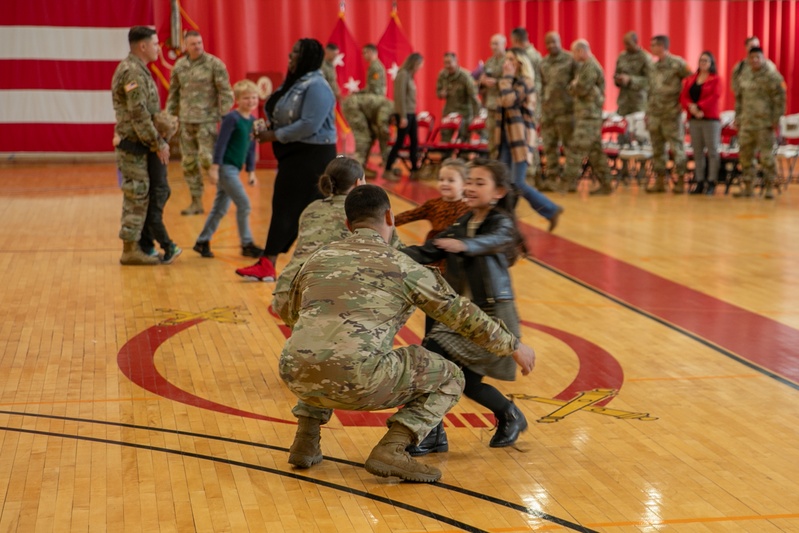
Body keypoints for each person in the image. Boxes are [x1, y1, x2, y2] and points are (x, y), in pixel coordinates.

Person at [280, 184, 536, 483]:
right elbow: (461, 315)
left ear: (348, 224)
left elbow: (290, 313)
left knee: (322, 345)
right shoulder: (402, 266)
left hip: (293, 371)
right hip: (360, 379)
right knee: (451, 376)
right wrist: (512, 345)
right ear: (390, 217)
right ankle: (393, 448)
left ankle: (305, 441)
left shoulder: (318, 257)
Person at [402, 159, 530, 454]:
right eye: (469, 181)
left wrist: (466, 246)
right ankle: (505, 416)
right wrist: (388, 254)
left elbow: (494, 240)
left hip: (494, 313)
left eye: (478, 183)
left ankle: (503, 417)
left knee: (445, 369)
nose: (470, 187)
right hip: (465, 313)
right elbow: (429, 249)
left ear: (498, 192)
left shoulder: (501, 222)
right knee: (453, 375)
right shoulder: (463, 222)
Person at [236, 38, 337, 282]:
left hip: (312, 156)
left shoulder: (317, 85)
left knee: (298, 210)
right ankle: (269, 263)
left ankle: (272, 263)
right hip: (295, 153)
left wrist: (274, 135)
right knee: (286, 208)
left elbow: (309, 125)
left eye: (295, 54)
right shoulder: (297, 82)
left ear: (308, 58)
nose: (289, 57)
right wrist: (268, 127)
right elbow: (285, 113)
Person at [272, 156, 366, 323]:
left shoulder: (312, 208)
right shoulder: (361, 212)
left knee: (309, 342)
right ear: (359, 183)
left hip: (286, 292)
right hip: (323, 295)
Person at [112, 26, 175, 266]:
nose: (159, 48)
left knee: (143, 194)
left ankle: (139, 245)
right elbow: (139, 115)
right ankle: (130, 249)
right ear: (143, 46)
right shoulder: (132, 73)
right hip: (134, 146)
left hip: (140, 145)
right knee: (136, 195)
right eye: (156, 44)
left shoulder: (140, 70)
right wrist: (158, 143)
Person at [395, 158, 471, 334]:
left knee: (454, 309)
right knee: (433, 308)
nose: (444, 183)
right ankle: (431, 340)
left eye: (451, 180)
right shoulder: (433, 205)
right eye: (441, 179)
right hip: (433, 264)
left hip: (457, 268)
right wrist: (382, 223)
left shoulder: (468, 209)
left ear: (464, 184)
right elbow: (407, 216)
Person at [495, 47, 564, 232]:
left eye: (510, 59)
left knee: (517, 182)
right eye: (506, 59)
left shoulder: (525, 82)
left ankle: (551, 209)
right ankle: (503, 221)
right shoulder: (510, 81)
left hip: (521, 139)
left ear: (519, 63)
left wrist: (506, 78)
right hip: (505, 137)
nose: (506, 63)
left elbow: (508, 101)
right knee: (502, 181)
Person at [192, 79, 263, 259]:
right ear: (238, 99)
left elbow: (251, 148)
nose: (251, 101)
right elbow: (221, 144)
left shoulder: (253, 121)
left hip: (235, 169)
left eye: (254, 97)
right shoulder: (232, 118)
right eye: (246, 98)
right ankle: (246, 244)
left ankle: (202, 241)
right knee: (244, 205)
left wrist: (251, 171)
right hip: (225, 168)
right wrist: (215, 168)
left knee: (220, 209)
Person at [166, 30, 234, 216]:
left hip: (207, 121)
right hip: (186, 121)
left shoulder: (214, 64)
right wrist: (169, 118)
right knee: (188, 163)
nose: (198, 46)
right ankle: (196, 202)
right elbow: (173, 95)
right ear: (186, 46)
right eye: (193, 44)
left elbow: (226, 92)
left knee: (208, 160)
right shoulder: (179, 66)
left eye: (199, 42)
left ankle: (224, 196)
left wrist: (226, 116)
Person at [733, 47, 786, 199]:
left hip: (765, 124)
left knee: (766, 157)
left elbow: (780, 99)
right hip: (747, 123)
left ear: (763, 58)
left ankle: (769, 187)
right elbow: (739, 98)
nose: (755, 60)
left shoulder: (772, 76)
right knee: (745, 156)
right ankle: (748, 187)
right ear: (748, 59)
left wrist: (776, 120)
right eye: (752, 57)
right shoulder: (745, 74)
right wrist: (738, 117)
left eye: (757, 57)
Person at [565, 39, 612, 195]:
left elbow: (581, 88)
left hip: (589, 116)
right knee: (595, 151)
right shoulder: (585, 66)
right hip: (586, 115)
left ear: (580, 51)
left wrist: (572, 86)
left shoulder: (590, 67)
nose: (573, 56)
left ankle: (569, 182)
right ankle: (606, 184)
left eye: (574, 52)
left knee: (576, 147)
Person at [646, 35, 692, 193]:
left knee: (677, 148)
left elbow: (692, 81)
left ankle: (680, 181)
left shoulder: (677, 63)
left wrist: (683, 102)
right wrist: (648, 112)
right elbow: (650, 91)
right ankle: (660, 181)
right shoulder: (653, 66)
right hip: (654, 114)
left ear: (662, 46)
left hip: (671, 114)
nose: (652, 48)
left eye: (654, 45)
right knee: (657, 149)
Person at [138, 112, 182, 263]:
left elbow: (137, 148)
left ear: (161, 133)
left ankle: (169, 246)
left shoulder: (156, 147)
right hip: (158, 188)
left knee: (154, 219)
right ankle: (147, 247)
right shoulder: (159, 144)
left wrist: (120, 142)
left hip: (159, 190)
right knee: (148, 218)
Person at [680, 51, 723, 194]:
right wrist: (691, 107)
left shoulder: (715, 79)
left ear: (711, 63)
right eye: (701, 60)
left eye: (706, 60)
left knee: (712, 152)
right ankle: (699, 181)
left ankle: (711, 181)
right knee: (697, 152)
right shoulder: (691, 79)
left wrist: (699, 107)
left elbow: (714, 97)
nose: (703, 63)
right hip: (694, 119)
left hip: (709, 119)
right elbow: (684, 96)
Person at [539, 32, 577, 191]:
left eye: (554, 42)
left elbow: (578, 83)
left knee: (569, 146)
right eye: (548, 43)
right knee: (549, 146)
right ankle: (552, 177)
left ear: (560, 41)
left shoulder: (570, 60)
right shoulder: (543, 63)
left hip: (566, 112)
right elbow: (541, 85)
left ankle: (571, 180)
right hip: (548, 112)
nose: (551, 46)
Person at [510, 27, 546, 189]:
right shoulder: (535, 54)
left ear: (516, 40)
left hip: (528, 102)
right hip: (530, 101)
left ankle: (530, 175)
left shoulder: (527, 56)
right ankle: (530, 175)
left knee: (527, 138)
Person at [613, 31, 652, 181]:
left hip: (639, 103)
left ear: (636, 42)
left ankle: (642, 169)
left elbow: (650, 81)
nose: (626, 46)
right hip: (624, 102)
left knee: (640, 136)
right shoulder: (622, 56)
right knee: (623, 136)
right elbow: (615, 75)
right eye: (625, 44)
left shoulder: (645, 58)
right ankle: (623, 169)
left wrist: (631, 80)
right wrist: (618, 79)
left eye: (629, 43)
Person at [384, 52, 424, 181]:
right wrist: (402, 116)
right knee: (399, 142)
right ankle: (388, 169)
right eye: (420, 64)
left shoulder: (410, 76)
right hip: (404, 113)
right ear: (415, 63)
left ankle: (415, 170)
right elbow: (399, 97)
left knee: (414, 142)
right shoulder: (403, 75)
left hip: (411, 113)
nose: (420, 67)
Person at [341, 92, 394, 177]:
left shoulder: (391, 108)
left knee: (371, 136)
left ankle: (362, 167)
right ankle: (358, 171)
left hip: (359, 108)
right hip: (353, 106)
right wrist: (387, 162)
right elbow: (382, 127)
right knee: (363, 138)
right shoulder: (390, 108)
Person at [435, 52, 481, 142]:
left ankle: (464, 156)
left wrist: (476, 116)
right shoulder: (442, 75)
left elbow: (474, 98)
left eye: (449, 62)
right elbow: (438, 92)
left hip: (464, 113)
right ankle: (446, 156)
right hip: (449, 112)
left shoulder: (465, 76)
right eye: (445, 63)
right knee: (445, 140)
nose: (447, 65)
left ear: (456, 61)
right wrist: (441, 93)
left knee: (464, 143)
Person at [479, 34, 508, 157]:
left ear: (504, 44)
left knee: (504, 137)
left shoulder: (509, 60)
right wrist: (483, 81)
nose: (494, 47)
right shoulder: (489, 62)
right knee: (491, 137)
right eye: (492, 44)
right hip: (491, 105)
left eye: (497, 44)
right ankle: (493, 165)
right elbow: (483, 79)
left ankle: (505, 166)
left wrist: (497, 82)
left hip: (505, 105)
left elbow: (514, 81)